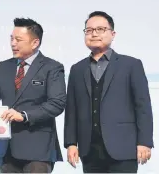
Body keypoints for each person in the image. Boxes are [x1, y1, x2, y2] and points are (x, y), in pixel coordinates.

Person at [64, 11, 154, 173]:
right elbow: (72, 110)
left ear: (112, 34)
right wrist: (71, 143)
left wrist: (145, 142)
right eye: (89, 30)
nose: (94, 34)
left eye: (100, 29)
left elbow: (143, 106)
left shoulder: (131, 65)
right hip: (89, 149)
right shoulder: (77, 69)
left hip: (123, 148)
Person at [0, 18, 66, 173]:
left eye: (18, 40)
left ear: (35, 43)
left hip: (38, 149)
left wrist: (24, 115)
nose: (13, 44)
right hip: (7, 148)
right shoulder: (4, 66)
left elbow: (56, 104)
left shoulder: (52, 67)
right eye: (11, 39)